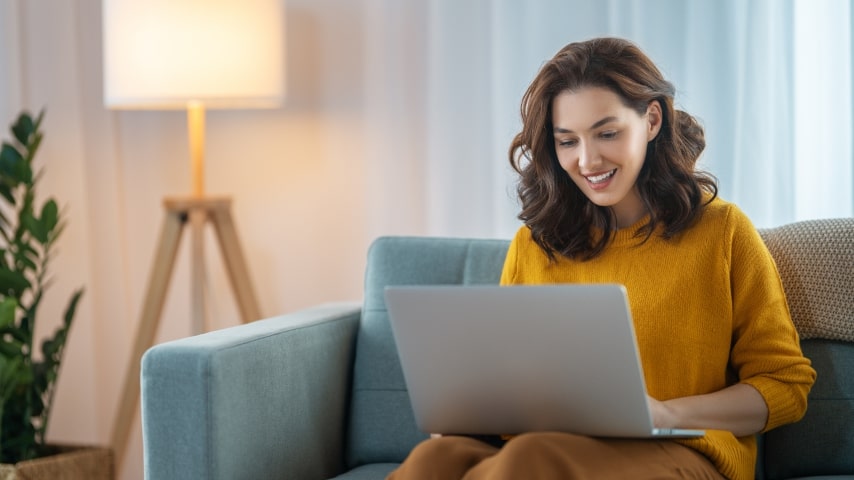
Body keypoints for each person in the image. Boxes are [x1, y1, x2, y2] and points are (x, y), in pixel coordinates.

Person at [387, 37, 816, 480]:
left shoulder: (722, 232)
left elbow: (785, 384)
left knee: (530, 459)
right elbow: (508, 379)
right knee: (432, 461)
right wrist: (471, 409)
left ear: (651, 119)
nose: (587, 160)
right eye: (567, 141)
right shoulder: (534, 243)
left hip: (681, 455)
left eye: (607, 133)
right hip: (547, 446)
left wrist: (666, 414)